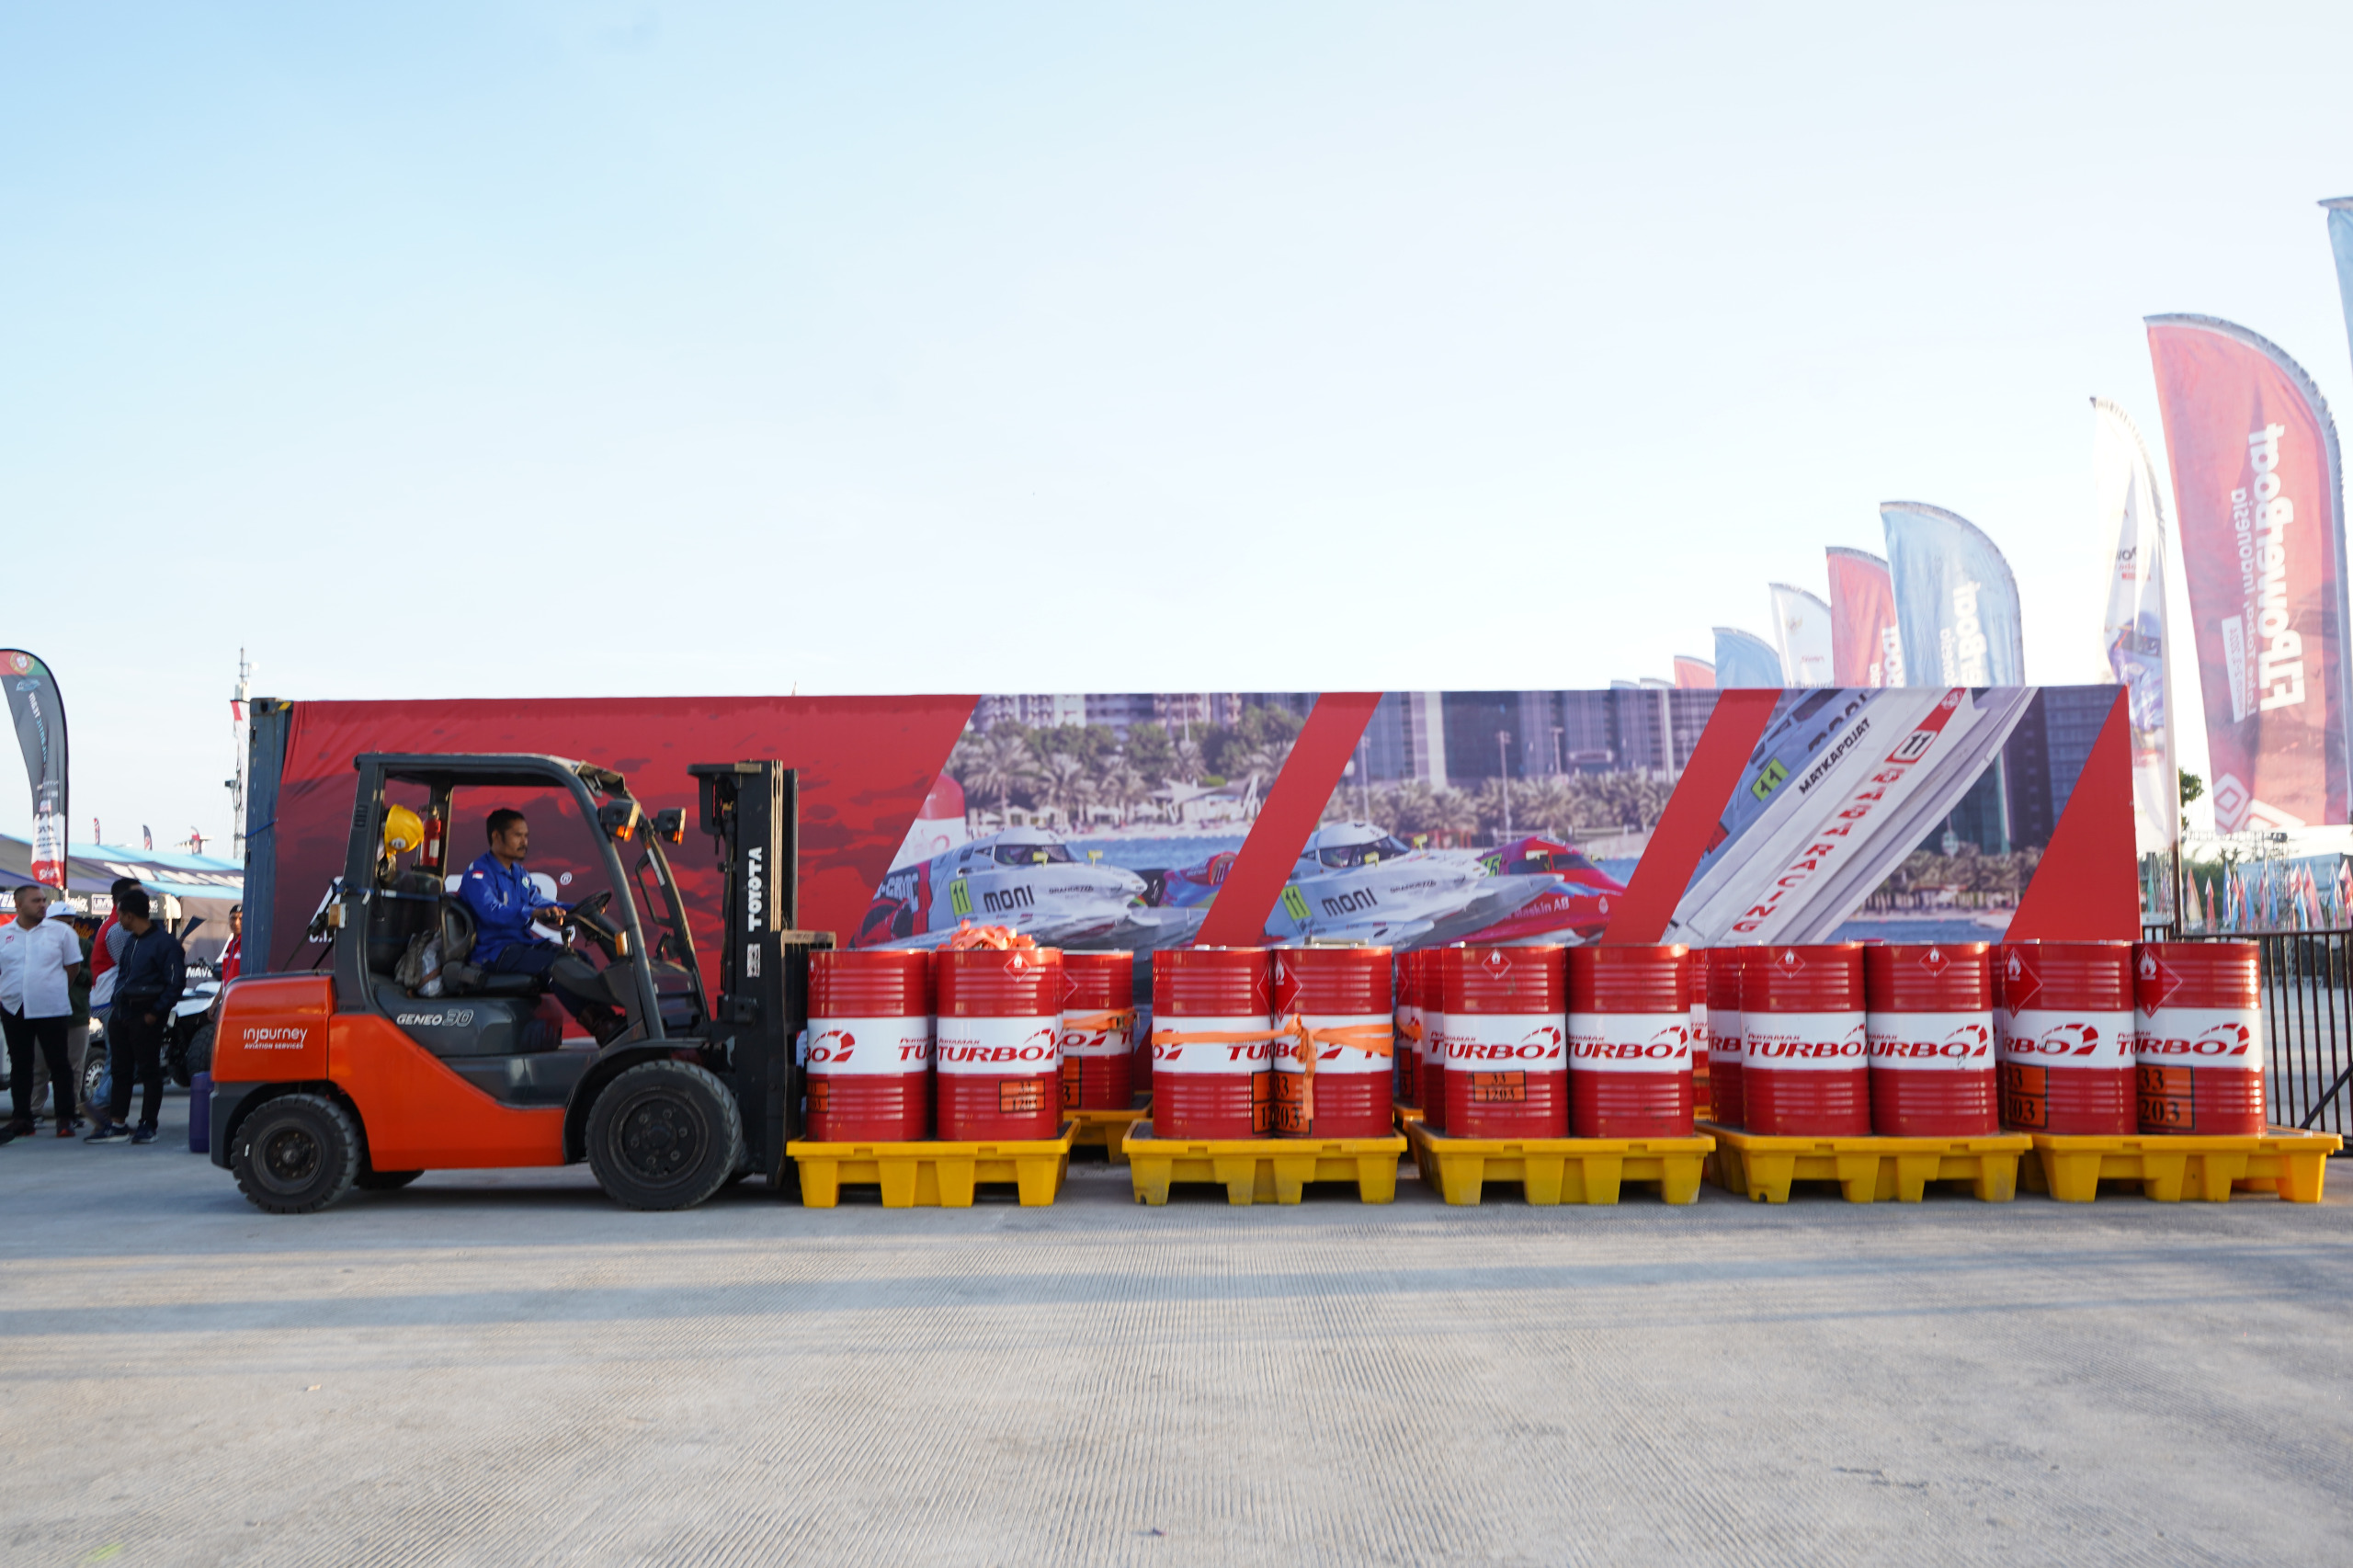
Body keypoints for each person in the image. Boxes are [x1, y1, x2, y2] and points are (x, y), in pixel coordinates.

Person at [459, 809, 622, 1039]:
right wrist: (534, 912)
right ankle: (599, 1026)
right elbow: (491, 912)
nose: (524, 842)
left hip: (521, 947)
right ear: (496, 836)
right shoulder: (479, 874)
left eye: (526, 836)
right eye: (518, 836)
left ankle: (610, 1020)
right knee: (557, 967)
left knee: (580, 959)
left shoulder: (519, 873)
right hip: (495, 953)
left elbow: (540, 902)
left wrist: (577, 909)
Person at [86, 889, 184, 1145]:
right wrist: (117, 1007)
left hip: (146, 1016)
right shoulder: (131, 941)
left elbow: (175, 984)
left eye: (120, 915)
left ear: (129, 915)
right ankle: (117, 1124)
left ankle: (148, 1126)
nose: (118, 920)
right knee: (120, 1070)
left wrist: (154, 1014)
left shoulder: (165, 944)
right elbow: (123, 976)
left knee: (149, 1071)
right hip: (121, 1014)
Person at [1, 884, 86, 1143]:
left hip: (51, 1006)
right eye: (35, 901)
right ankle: (22, 1118)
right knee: (21, 1064)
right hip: (14, 1006)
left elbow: (73, 967)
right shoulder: (4, 934)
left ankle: (65, 1117)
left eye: (43, 900)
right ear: (18, 905)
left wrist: (55, 989)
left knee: (59, 1063)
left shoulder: (61, 932)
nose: (42, 905)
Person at [218, 904, 243, 983]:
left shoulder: (249, 945)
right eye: (233, 918)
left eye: (241, 919)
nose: (236, 923)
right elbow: (224, 979)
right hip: (229, 990)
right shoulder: (230, 944)